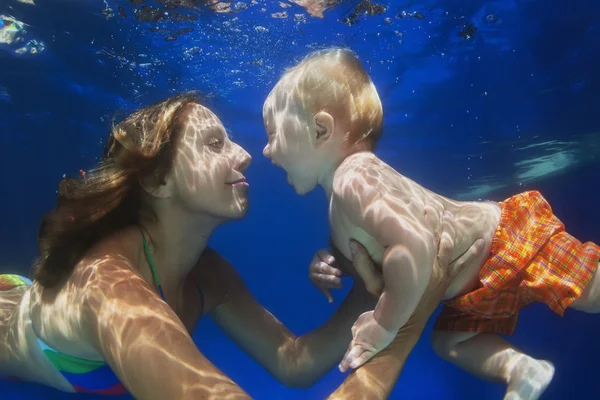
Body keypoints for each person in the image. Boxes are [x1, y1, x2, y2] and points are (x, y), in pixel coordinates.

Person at [261, 47, 600, 400]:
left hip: (508, 239)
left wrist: (384, 324)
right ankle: (523, 370)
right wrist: (333, 265)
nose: (267, 151)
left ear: (319, 130)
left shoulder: (354, 179)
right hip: (472, 286)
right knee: (450, 342)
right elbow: (369, 250)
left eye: (273, 134)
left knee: (592, 294)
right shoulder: (342, 195)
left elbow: (415, 246)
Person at [0, 92, 388, 399]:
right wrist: (399, 349)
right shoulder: (108, 285)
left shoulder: (207, 274)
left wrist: (378, 288)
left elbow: (293, 362)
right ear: (157, 180)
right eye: (215, 143)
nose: (246, 155)